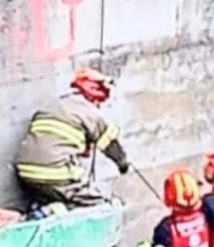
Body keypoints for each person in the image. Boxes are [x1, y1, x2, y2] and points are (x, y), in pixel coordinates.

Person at [13, 67, 131, 207]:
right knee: (97, 204)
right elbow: (110, 144)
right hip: (54, 172)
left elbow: (53, 141)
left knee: (50, 198)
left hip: (25, 171)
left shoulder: (55, 105)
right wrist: (123, 164)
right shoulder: (89, 111)